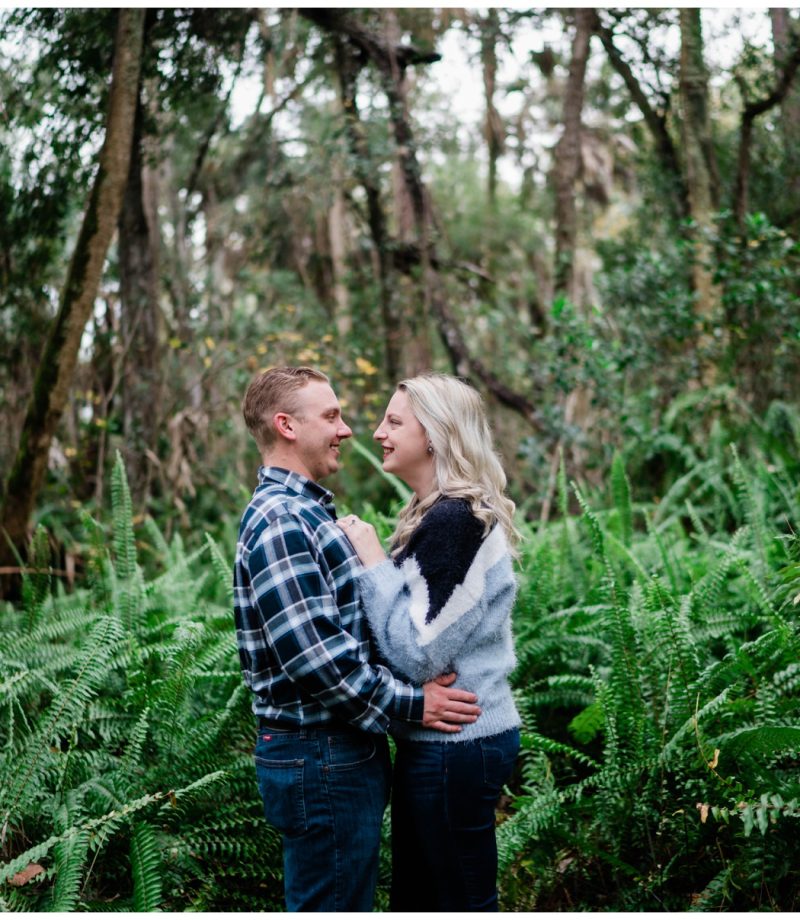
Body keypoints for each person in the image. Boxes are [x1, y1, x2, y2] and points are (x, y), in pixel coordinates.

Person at [233, 366, 482, 913]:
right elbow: (317, 658)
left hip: (333, 757)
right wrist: (416, 705)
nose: (348, 429)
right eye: (331, 416)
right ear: (286, 426)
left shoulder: (305, 514)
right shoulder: (282, 521)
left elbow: (348, 634)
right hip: (321, 757)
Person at [338, 372, 521, 912]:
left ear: (436, 434)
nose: (377, 433)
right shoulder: (436, 516)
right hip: (450, 741)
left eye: (394, 422)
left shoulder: (454, 520)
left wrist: (373, 562)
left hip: (456, 744)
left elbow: (420, 655)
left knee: (456, 901)